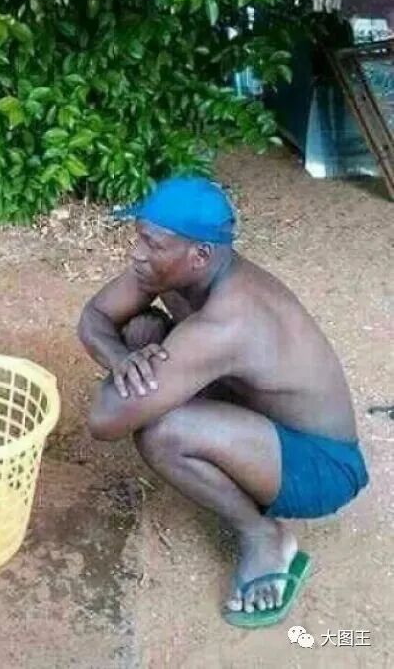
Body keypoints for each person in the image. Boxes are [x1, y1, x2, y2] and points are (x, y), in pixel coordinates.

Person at [77, 176, 369, 627]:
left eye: (152, 244)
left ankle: (263, 536)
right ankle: (186, 409)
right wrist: (121, 358)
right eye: (139, 237)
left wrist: (133, 383)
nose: (137, 253)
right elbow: (96, 315)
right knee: (141, 330)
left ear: (200, 255)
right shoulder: (176, 267)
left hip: (319, 464)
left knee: (162, 432)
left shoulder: (229, 321)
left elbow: (104, 420)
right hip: (257, 415)